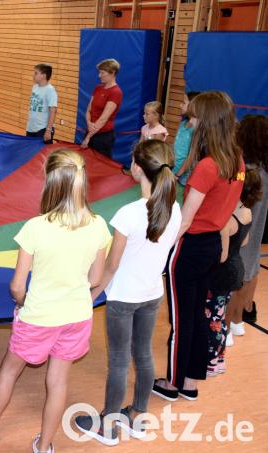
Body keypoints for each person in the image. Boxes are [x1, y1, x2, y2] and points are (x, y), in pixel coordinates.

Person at [0, 149, 110, 453]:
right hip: (77, 315)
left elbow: (17, 286)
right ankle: (44, 445)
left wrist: (22, 300)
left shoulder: (36, 228)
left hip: (39, 316)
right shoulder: (98, 225)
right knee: (58, 382)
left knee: (9, 371)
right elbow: (96, 278)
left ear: (50, 183)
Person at [72, 140, 181, 446]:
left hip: (123, 297)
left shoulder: (129, 214)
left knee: (119, 361)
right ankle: (138, 416)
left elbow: (111, 266)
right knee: (143, 354)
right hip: (152, 293)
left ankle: (108, 425)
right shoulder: (174, 208)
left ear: (137, 168)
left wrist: (91, 294)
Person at [152, 91, 244, 403]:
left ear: (205, 121)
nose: (188, 122)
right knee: (198, 316)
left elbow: (185, 220)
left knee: (181, 321)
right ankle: (190, 382)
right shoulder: (237, 160)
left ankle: (173, 383)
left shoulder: (207, 166)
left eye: (192, 117)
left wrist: (157, 248)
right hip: (211, 246)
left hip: (190, 247)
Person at [206, 168, 259, 375]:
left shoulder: (227, 219)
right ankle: (219, 359)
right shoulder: (247, 212)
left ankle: (212, 361)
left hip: (222, 272)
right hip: (237, 269)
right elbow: (245, 241)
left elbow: (222, 256)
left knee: (214, 319)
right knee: (220, 317)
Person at [227, 114, 268, 331]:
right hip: (257, 230)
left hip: (241, 230)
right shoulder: (264, 169)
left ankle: (230, 324)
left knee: (236, 276)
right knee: (250, 270)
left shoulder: (247, 172)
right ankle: (241, 317)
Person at [80, 59, 123, 160]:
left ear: (112, 73)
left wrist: (88, 137)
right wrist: (88, 123)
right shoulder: (98, 88)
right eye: (99, 72)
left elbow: (103, 119)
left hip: (103, 136)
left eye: (102, 73)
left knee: (101, 164)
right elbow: (89, 110)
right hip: (91, 131)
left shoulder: (116, 92)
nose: (99, 75)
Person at [26, 64, 58, 144]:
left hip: (43, 129)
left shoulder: (50, 90)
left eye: (36, 73)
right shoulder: (34, 87)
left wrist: (48, 130)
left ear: (43, 75)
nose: (33, 75)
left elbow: (53, 111)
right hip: (31, 128)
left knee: (42, 151)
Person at [173, 92, 200, 186]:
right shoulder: (182, 124)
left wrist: (178, 174)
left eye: (184, 103)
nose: (180, 105)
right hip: (174, 169)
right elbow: (176, 146)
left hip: (185, 177)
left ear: (193, 106)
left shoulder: (196, 129)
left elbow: (191, 157)